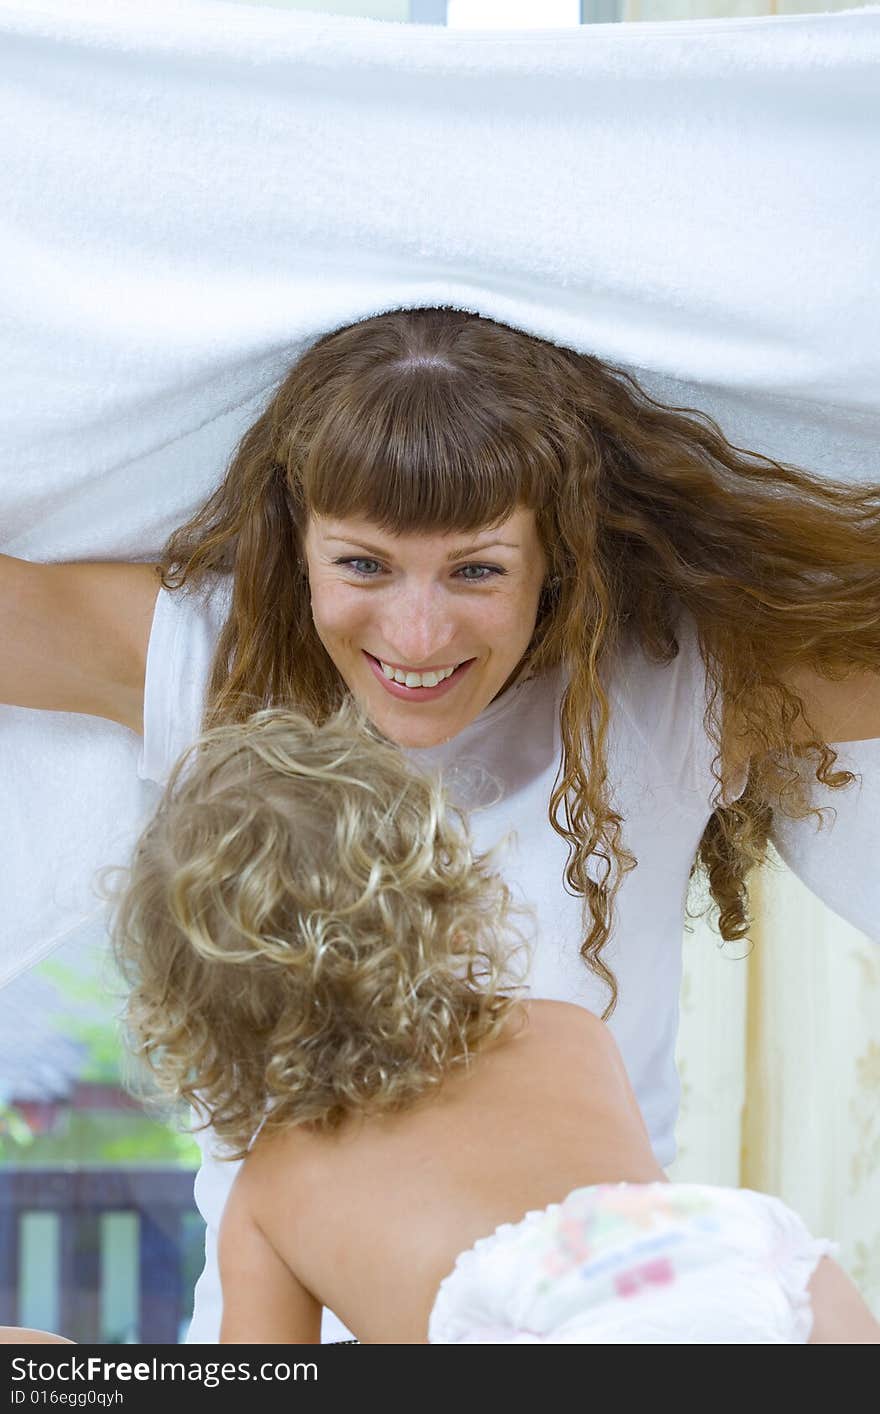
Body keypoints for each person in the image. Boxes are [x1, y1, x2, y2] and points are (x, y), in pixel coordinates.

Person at [2, 308, 878, 1340]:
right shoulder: (213, 660)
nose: (415, 637)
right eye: (363, 565)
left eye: (476, 569)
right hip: (667, 1306)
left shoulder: (661, 690)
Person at [106, 703, 878, 1345]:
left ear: (195, 1018)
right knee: (796, 1288)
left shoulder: (270, 1188)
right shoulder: (563, 1030)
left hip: (531, 1325)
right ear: (448, 892)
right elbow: (621, 1211)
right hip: (733, 1263)